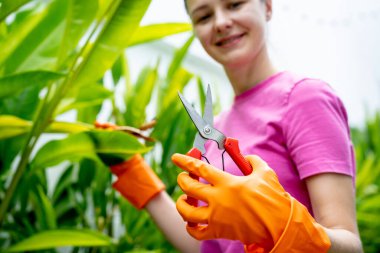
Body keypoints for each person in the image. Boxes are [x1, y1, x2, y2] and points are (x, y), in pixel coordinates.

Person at [106, 0, 363, 252]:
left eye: (235, 4)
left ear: (268, 6)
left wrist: (284, 223)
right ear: (194, 29)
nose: (220, 23)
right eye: (204, 17)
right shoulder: (214, 128)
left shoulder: (305, 99)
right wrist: (133, 174)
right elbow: (204, 244)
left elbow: (350, 244)